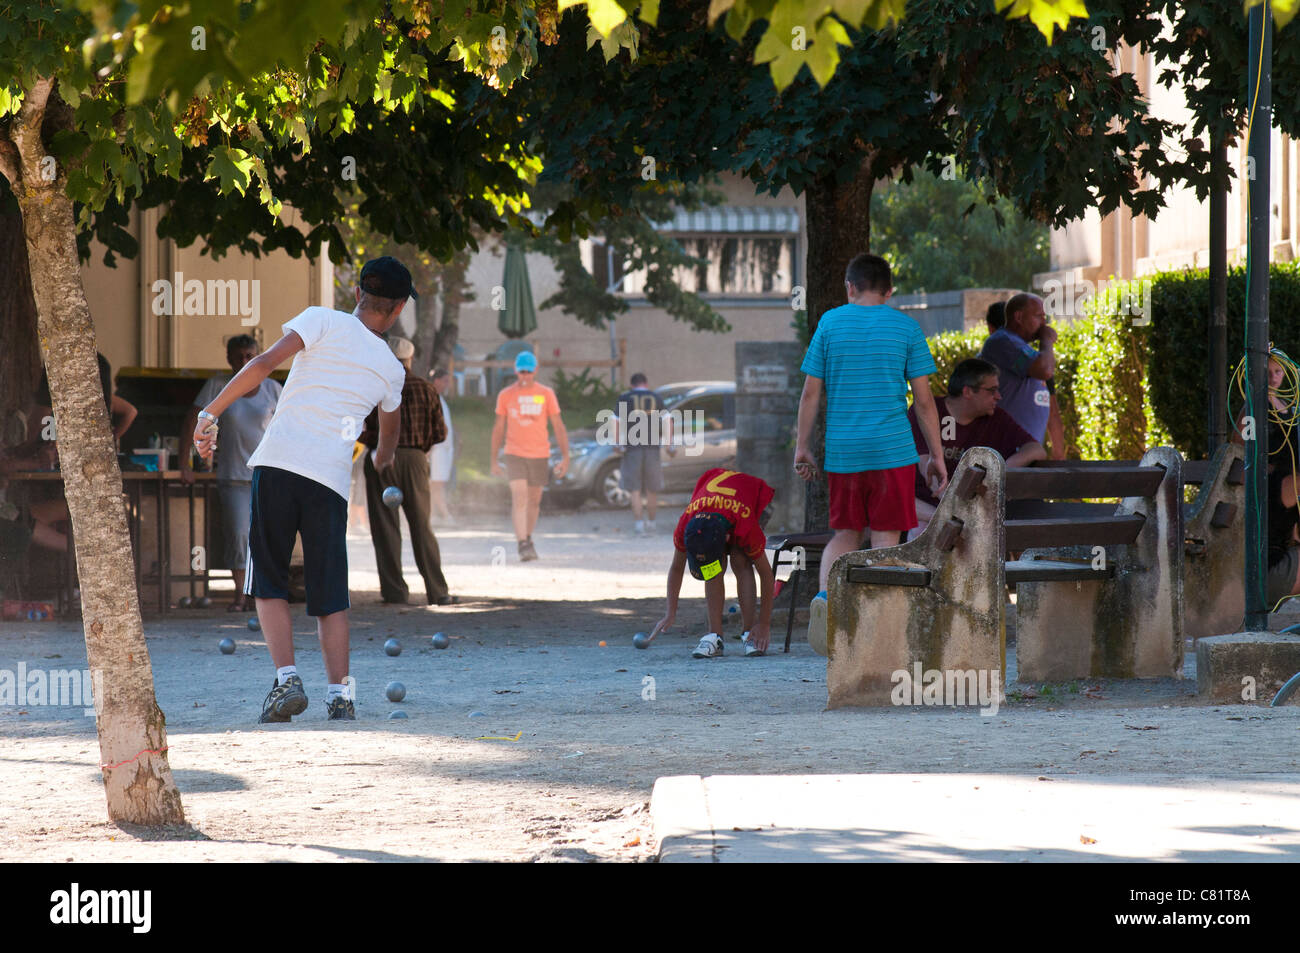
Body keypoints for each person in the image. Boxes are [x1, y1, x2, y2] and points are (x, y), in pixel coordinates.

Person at [193, 255, 411, 723]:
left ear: (357, 293)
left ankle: (287, 680)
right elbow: (388, 434)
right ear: (396, 311)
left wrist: (209, 413)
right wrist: (380, 460)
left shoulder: (320, 320)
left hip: (277, 466)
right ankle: (340, 696)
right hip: (329, 482)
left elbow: (264, 365)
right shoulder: (392, 369)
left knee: (268, 579)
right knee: (329, 591)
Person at [793, 253, 947, 649]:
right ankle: (880, 623)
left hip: (845, 451)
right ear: (889, 290)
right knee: (886, 538)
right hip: (892, 452)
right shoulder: (907, 328)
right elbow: (925, 402)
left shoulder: (829, 323)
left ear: (850, 286)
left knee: (845, 534)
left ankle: (827, 601)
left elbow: (811, 392)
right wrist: (936, 456)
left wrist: (802, 447)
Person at [180, 335, 281, 611]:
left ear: (258, 355)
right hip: (233, 475)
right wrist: (184, 463)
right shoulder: (218, 386)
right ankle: (241, 594)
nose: (244, 361)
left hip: (267, 475)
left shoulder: (273, 389)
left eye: (250, 355)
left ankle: (264, 596)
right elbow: (193, 419)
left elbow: (288, 428)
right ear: (229, 359)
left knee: (266, 536)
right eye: (238, 357)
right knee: (238, 535)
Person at [358, 337, 456, 607]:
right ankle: (437, 591)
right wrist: (418, 449)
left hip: (381, 460)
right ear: (410, 360)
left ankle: (394, 592)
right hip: (415, 460)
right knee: (421, 525)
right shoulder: (426, 388)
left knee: (386, 527)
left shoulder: (376, 387)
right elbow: (440, 433)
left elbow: (362, 429)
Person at [906, 358, 1046, 536]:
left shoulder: (996, 418)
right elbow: (928, 468)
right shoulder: (930, 413)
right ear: (968, 391)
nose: (998, 396)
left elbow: (1035, 449)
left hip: (970, 513)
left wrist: (998, 471)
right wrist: (951, 511)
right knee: (924, 531)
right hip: (923, 508)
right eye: (992, 390)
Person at [656, 467, 776, 658]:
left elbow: (766, 574)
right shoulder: (686, 526)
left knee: (740, 559)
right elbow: (676, 568)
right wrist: (670, 613)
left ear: (728, 538)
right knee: (714, 566)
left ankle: (749, 633)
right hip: (717, 504)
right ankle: (715, 636)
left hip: (751, 495)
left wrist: (764, 624)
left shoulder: (745, 525)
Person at [489, 351, 570, 561]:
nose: (525, 375)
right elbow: (498, 428)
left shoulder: (546, 393)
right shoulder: (506, 395)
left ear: (536, 370)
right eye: (521, 371)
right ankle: (522, 543)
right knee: (519, 496)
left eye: (528, 371)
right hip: (514, 453)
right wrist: (493, 460)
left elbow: (558, 426)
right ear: (516, 371)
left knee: (534, 500)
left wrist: (565, 456)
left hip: (539, 453)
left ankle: (528, 537)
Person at [985, 299, 1066, 459]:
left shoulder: (1035, 356)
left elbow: (1052, 411)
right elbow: (1045, 370)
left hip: (1025, 459)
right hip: (1003, 457)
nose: (1044, 323)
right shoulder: (1003, 341)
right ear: (1019, 317)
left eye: (1045, 317)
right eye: (1038, 316)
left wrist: (1059, 455)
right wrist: (1047, 340)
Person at [612, 372, 673, 534]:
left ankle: (639, 524)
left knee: (635, 489)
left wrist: (617, 443)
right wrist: (669, 444)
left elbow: (615, 421)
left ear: (632, 385)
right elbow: (668, 420)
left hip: (633, 449)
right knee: (652, 489)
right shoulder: (656, 397)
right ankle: (652, 523)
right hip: (652, 449)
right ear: (646, 384)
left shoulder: (625, 397)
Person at [428, 368, 456, 522]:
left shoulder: (440, 399)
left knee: (438, 483)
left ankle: (432, 514)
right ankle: (445, 515)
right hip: (436, 448)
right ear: (436, 381)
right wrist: (429, 447)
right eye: (445, 381)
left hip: (445, 449)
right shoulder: (431, 397)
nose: (447, 384)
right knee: (436, 484)